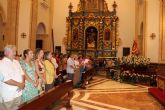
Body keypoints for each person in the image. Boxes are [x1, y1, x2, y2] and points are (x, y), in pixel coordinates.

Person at [0, 45, 25, 110]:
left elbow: (22, 74)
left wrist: (23, 83)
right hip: (8, 94)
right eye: (13, 51)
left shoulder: (16, 62)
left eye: (15, 51)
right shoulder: (1, 63)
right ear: (6, 53)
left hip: (18, 93)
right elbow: (6, 79)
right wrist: (20, 84)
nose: (15, 53)